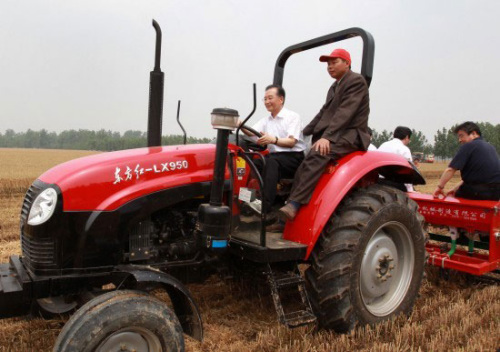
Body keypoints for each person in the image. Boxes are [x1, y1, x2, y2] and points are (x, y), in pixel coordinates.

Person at [278, 48, 370, 221]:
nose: (329, 67)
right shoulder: (335, 86)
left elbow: (345, 112)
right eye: (328, 64)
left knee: (318, 153)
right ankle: (281, 203)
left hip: (350, 134)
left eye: (334, 62)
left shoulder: (356, 81)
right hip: (338, 132)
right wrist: (301, 133)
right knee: (300, 156)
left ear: (347, 63)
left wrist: (327, 137)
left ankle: (295, 204)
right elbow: (323, 113)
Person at [241, 85, 306, 223]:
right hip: (275, 157)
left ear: (281, 99)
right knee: (251, 161)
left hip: (293, 158)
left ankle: (265, 206)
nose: (266, 102)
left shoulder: (292, 117)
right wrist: (240, 124)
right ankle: (247, 199)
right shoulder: (266, 120)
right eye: (264, 99)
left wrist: (273, 139)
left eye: (270, 98)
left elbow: (291, 142)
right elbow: (251, 132)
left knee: (270, 162)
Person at [433, 121, 500, 200]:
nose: (460, 140)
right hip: (496, 193)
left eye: (461, 136)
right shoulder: (490, 147)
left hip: (477, 192)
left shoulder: (468, 146)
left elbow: (450, 170)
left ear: (474, 134)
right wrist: (455, 189)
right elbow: (475, 178)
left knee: (454, 202)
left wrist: (439, 187)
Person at [378, 126, 414, 191]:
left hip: (378, 182)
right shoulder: (404, 149)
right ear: (406, 137)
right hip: (394, 185)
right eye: (409, 139)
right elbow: (407, 172)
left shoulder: (383, 145)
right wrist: (410, 190)